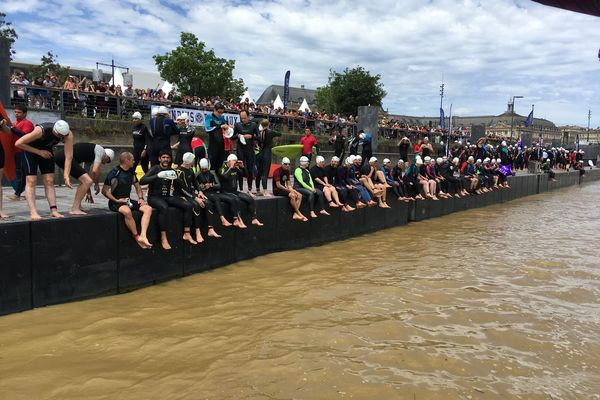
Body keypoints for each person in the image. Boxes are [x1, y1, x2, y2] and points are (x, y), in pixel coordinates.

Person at [10, 120, 74, 220]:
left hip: (46, 150)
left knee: (49, 180)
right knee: (31, 180)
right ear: (54, 130)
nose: (60, 138)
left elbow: (69, 156)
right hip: (30, 149)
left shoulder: (68, 134)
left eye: (62, 136)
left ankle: (54, 210)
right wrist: (39, 152)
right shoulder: (41, 130)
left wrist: (66, 175)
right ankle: (33, 212)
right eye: (59, 136)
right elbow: (18, 143)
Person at [140, 150, 198, 249]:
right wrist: (157, 176)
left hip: (166, 196)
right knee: (164, 207)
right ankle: (163, 237)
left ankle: (187, 233)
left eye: (167, 157)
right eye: (163, 157)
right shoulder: (155, 169)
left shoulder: (171, 170)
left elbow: (180, 187)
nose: (166, 159)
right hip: (154, 197)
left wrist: (177, 178)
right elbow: (142, 181)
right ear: (159, 159)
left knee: (188, 205)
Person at [101, 152, 153, 249]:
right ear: (126, 160)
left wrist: (141, 198)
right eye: (132, 159)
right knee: (127, 211)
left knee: (148, 209)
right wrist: (116, 200)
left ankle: (143, 236)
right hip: (115, 202)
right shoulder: (114, 172)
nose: (134, 161)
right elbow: (104, 191)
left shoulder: (131, 172)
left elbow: (138, 187)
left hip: (127, 200)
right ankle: (136, 237)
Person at [54, 142, 115, 215]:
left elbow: (85, 175)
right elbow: (95, 171)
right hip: (65, 157)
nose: (104, 163)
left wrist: (88, 192)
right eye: (107, 162)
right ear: (107, 156)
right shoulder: (101, 151)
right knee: (87, 181)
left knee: (84, 180)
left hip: (61, 157)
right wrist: (96, 184)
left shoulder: (90, 157)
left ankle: (78, 206)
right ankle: (74, 208)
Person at [174, 152, 221, 242]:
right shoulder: (179, 172)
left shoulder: (191, 170)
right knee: (196, 205)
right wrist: (195, 198)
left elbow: (195, 183)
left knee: (208, 203)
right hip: (181, 195)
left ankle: (210, 229)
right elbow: (182, 189)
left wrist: (199, 192)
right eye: (193, 160)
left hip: (190, 194)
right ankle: (197, 232)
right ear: (189, 161)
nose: (194, 161)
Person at [218, 154, 264, 227]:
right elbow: (225, 176)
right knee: (236, 200)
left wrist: (243, 167)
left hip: (234, 191)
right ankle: (237, 220)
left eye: (236, 161)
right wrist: (230, 167)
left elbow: (246, 175)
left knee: (250, 199)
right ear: (229, 161)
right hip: (226, 192)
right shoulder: (222, 168)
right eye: (234, 161)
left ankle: (254, 218)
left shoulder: (236, 168)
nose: (235, 163)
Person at [195, 158, 234, 227]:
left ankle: (236, 218)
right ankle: (222, 219)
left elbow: (219, 185)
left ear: (208, 167)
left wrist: (211, 185)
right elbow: (193, 185)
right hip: (205, 193)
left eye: (205, 169)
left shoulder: (212, 173)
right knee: (216, 199)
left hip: (213, 192)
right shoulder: (197, 174)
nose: (204, 171)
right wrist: (200, 188)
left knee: (231, 199)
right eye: (202, 169)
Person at [9, 105, 35, 201]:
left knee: (22, 173)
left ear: (25, 113)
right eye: (15, 112)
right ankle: (19, 192)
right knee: (20, 173)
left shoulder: (27, 123)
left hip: (23, 151)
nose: (16, 114)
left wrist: (12, 128)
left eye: (19, 112)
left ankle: (17, 194)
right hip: (16, 151)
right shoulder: (15, 123)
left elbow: (24, 135)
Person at [272, 157, 307, 221]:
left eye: (288, 164)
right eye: (285, 164)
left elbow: (289, 184)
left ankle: (295, 214)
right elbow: (278, 185)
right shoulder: (277, 171)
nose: (287, 165)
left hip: (284, 189)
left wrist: (292, 190)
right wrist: (290, 191)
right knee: (292, 195)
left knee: (299, 195)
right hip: (277, 190)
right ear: (282, 164)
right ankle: (298, 212)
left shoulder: (287, 171)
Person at [233, 110, 259, 194]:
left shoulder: (254, 125)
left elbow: (259, 137)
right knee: (240, 168)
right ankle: (240, 189)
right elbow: (232, 137)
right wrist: (237, 135)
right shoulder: (237, 125)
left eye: (244, 118)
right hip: (240, 148)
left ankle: (250, 188)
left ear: (248, 117)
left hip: (249, 149)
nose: (242, 120)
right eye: (241, 118)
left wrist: (251, 136)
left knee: (250, 169)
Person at [255, 119, 282, 196]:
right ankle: (265, 191)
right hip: (266, 154)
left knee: (259, 173)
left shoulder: (260, 133)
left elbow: (255, 138)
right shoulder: (270, 132)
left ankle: (257, 190)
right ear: (268, 124)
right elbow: (279, 134)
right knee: (265, 173)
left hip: (260, 153)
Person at [205, 103, 230, 172]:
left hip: (222, 145)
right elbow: (207, 129)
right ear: (214, 110)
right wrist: (219, 126)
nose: (220, 114)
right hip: (213, 145)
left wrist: (228, 127)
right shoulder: (209, 116)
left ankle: (219, 181)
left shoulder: (222, 118)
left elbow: (226, 126)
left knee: (220, 165)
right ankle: (212, 181)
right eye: (219, 112)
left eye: (222, 112)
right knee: (212, 165)